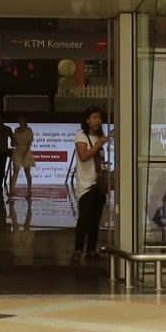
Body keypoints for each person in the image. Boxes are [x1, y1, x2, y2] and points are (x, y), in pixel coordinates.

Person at [71, 108, 111, 264]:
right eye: (94, 117)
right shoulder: (81, 135)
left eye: (99, 118)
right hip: (86, 184)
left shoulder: (99, 137)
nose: (97, 120)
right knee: (84, 218)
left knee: (95, 219)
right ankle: (78, 249)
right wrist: (98, 144)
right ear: (87, 120)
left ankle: (91, 249)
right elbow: (83, 156)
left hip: (98, 183)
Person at [10, 119, 35, 198]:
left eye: (21, 120)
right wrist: (13, 142)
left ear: (24, 121)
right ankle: (11, 190)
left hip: (26, 150)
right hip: (18, 150)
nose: (20, 122)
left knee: (27, 171)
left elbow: (29, 142)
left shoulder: (29, 130)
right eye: (19, 121)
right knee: (15, 170)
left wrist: (26, 151)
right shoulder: (16, 130)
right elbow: (13, 142)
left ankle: (29, 190)